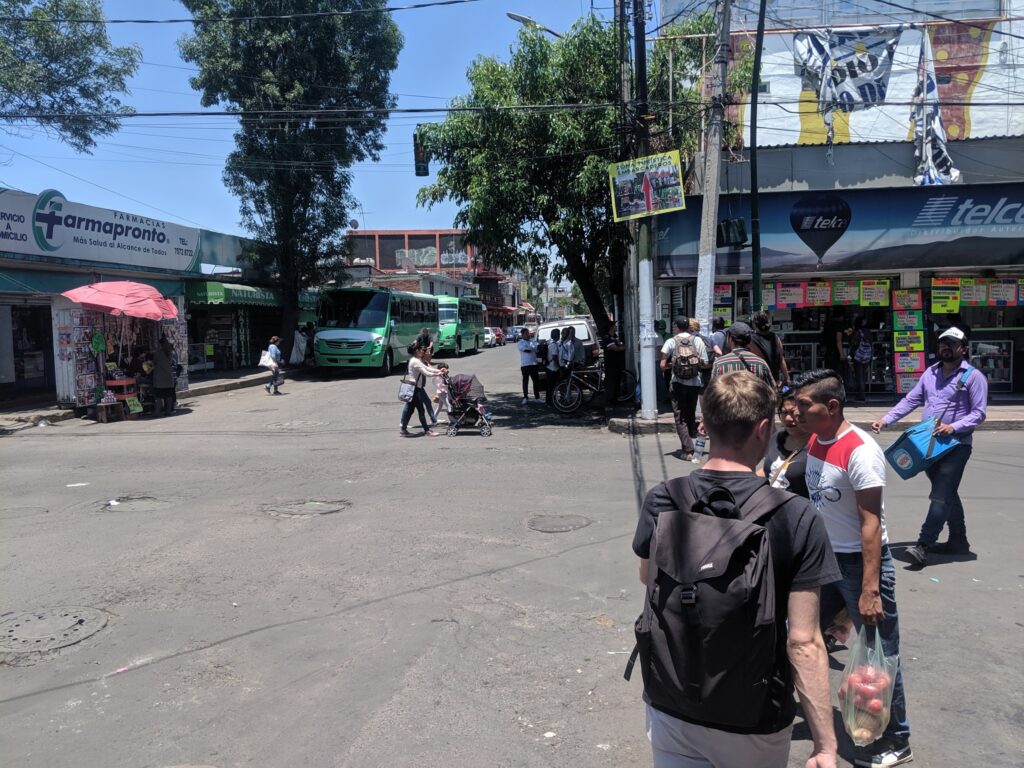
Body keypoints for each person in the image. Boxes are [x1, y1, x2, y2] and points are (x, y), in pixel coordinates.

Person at [633, 371, 840, 768]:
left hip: (671, 702)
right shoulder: (795, 515)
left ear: (705, 425)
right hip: (754, 716)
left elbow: (648, 577)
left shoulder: (663, 499)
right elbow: (803, 642)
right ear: (763, 429)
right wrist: (825, 745)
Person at [795, 369, 913, 768]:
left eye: (804, 405)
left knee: (881, 655)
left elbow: (871, 524)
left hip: (858, 565)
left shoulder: (860, 451)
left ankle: (897, 739)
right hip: (822, 561)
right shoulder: (816, 439)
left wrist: (869, 589)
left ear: (831, 407)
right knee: (799, 636)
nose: (797, 411)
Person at [870, 326, 987, 565]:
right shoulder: (930, 373)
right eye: (943, 343)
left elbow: (979, 413)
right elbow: (911, 400)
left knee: (941, 495)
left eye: (952, 344)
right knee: (947, 492)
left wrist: (954, 427)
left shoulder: (974, 377)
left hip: (956, 445)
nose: (946, 347)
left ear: (963, 349)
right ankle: (958, 541)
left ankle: (923, 545)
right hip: (929, 446)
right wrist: (886, 419)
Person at [659, 317, 708, 460]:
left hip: (677, 383)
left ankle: (687, 450)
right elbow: (705, 363)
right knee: (690, 413)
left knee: (680, 416)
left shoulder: (671, 341)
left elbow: (662, 365)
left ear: (676, 327)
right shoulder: (698, 341)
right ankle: (692, 443)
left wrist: (673, 365)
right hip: (694, 383)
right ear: (688, 327)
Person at [762, 384, 811, 498]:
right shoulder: (776, 438)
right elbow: (769, 471)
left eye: (793, 412)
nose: (788, 418)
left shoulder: (817, 445)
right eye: (784, 412)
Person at [710, 321, 776, 389]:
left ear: (730, 339)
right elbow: (772, 390)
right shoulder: (761, 363)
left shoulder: (720, 364)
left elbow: (712, 391)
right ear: (749, 340)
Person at [400, 342, 443, 437]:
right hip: (415, 389)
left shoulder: (416, 360)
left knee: (411, 410)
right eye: (421, 350)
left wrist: (439, 371)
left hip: (414, 388)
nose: (423, 352)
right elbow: (426, 373)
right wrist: (438, 373)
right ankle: (427, 430)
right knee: (421, 410)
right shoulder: (415, 361)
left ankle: (403, 429)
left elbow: (427, 368)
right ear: (416, 351)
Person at [750, 311, 790, 386]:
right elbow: (781, 359)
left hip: (760, 382)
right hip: (775, 382)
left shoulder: (751, 340)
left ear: (754, 324)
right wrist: (787, 378)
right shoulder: (775, 337)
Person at [602, 321, 626, 409]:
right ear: (611, 327)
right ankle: (609, 402)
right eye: (614, 325)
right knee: (611, 383)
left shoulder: (615, 336)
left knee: (617, 383)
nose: (616, 326)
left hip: (617, 363)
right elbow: (616, 348)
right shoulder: (607, 337)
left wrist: (621, 346)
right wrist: (625, 347)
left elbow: (619, 344)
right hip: (611, 364)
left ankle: (615, 400)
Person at [848, 317, 873, 403]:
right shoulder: (868, 331)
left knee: (859, 376)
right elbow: (871, 343)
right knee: (863, 375)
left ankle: (861, 395)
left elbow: (853, 343)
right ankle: (862, 393)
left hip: (858, 356)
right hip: (867, 356)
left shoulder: (857, 332)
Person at [152, 336, 177, 415]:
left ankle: (157, 412)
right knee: (169, 396)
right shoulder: (171, 352)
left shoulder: (158, 353)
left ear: (160, 345)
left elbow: (153, 362)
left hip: (159, 379)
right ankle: (168, 411)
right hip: (169, 378)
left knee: (159, 396)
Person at [517, 327, 540, 405]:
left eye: (528, 333)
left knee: (536, 381)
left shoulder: (532, 341)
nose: (528, 335)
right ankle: (525, 397)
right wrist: (533, 349)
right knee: (525, 382)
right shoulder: (520, 343)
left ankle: (537, 397)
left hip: (534, 364)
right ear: (522, 335)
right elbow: (526, 350)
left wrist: (532, 348)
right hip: (525, 365)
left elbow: (537, 349)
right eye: (526, 334)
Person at [822, 309, 847, 378]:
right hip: (835, 353)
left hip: (828, 351)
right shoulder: (839, 325)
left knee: (829, 373)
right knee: (837, 373)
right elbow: (838, 340)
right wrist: (841, 354)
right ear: (841, 316)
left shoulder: (828, 323)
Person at [544, 327, 561, 407]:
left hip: (548, 367)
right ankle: (550, 402)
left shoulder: (548, 342)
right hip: (553, 368)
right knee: (552, 386)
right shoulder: (554, 345)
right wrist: (559, 368)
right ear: (557, 336)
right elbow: (555, 357)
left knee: (550, 386)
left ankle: (549, 401)